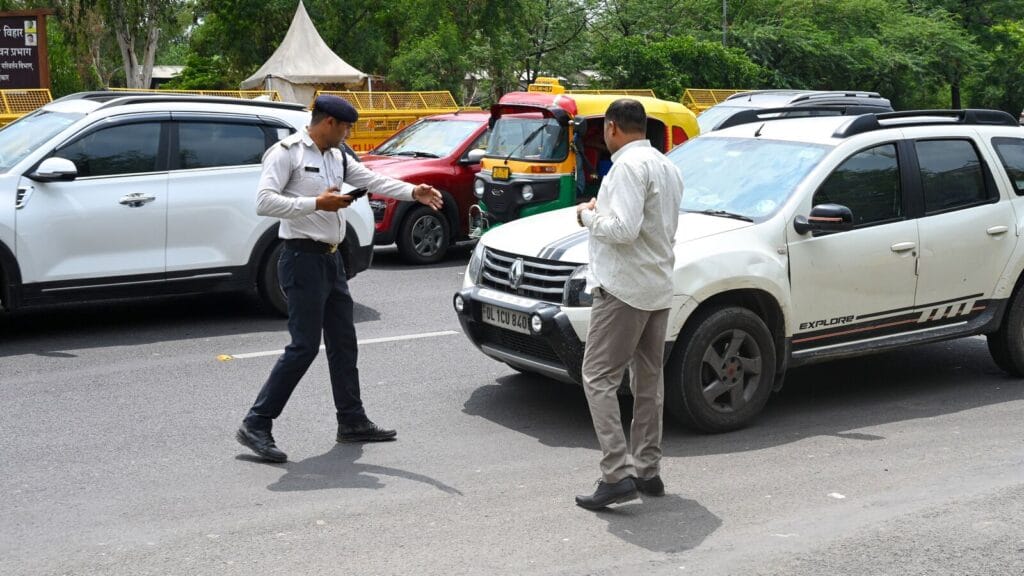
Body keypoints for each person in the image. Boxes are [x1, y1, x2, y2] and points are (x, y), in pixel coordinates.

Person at [236, 95, 443, 463]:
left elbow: (372, 178)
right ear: (329, 122)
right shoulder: (287, 153)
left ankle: (351, 421)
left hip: (331, 262)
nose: (349, 133)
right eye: (346, 126)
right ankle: (256, 423)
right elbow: (264, 202)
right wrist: (317, 203)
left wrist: (414, 192)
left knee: (343, 343)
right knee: (303, 346)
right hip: (300, 259)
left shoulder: (336, 155)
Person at [573, 99, 684, 510]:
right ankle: (648, 471)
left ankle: (617, 474)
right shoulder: (667, 166)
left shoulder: (625, 167)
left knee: (598, 378)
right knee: (648, 381)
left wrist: (586, 216)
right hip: (656, 285)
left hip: (623, 290)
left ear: (612, 126)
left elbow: (622, 229)